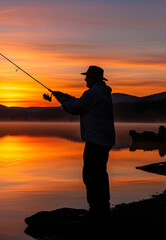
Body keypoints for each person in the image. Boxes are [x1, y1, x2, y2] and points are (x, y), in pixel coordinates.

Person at [52, 66, 115, 220]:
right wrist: (65, 96)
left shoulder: (93, 93)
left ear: (93, 78)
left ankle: (96, 210)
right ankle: (103, 207)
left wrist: (62, 99)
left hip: (95, 139)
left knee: (90, 175)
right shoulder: (103, 93)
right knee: (100, 173)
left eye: (87, 77)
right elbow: (81, 103)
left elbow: (74, 109)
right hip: (105, 139)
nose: (85, 79)